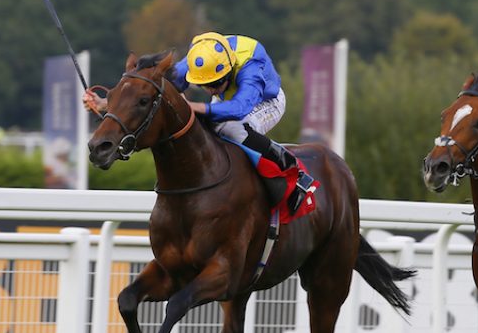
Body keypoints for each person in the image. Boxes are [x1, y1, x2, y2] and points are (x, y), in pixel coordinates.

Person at [83, 32, 312, 214]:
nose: (210, 90)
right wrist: (106, 105)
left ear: (229, 70)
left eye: (216, 83)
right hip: (230, 98)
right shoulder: (196, 62)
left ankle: (289, 167)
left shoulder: (251, 69)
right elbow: (152, 90)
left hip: (264, 100)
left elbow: (239, 108)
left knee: (230, 128)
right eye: (205, 84)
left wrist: (197, 106)